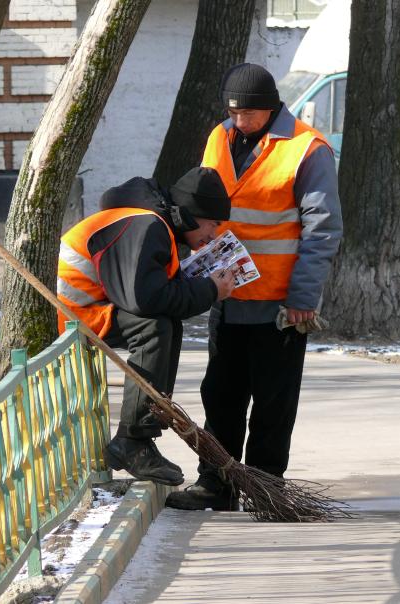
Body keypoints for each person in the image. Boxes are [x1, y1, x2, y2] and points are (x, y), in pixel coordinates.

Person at [166, 63, 343, 511]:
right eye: (233, 113)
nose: (239, 122)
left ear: (270, 109)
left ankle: (267, 490)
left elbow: (322, 229)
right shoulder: (218, 137)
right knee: (220, 397)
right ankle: (216, 484)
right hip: (225, 293)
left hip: (280, 305)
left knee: (272, 405)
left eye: (248, 115)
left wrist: (304, 298)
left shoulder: (307, 149)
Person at [57, 167, 236, 487]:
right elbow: (144, 299)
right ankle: (133, 440)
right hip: (70, 315)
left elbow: (152, 294)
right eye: (213, 224)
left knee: (165, 325)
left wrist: (200, 286)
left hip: (87, 309)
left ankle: (141, 435)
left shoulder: (153, 222)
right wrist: (209, 290)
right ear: (194, 215)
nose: (214, 234)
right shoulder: (146, 224)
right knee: (153, 327)